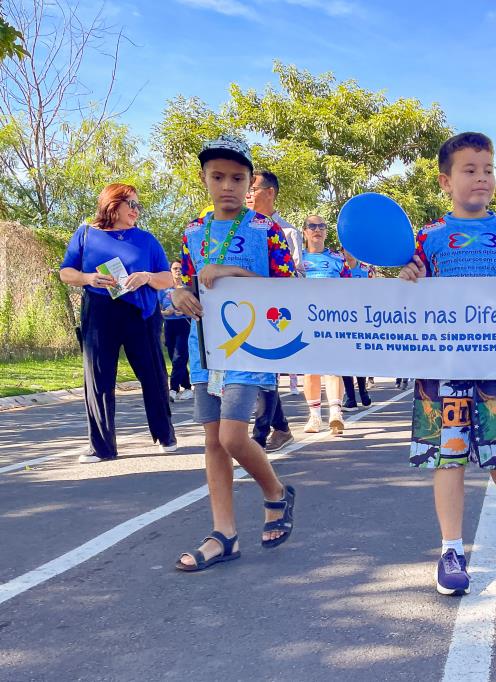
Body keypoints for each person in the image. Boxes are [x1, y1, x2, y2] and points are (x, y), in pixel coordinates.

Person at [399, 132, 496, 596]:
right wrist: (410, 274)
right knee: (448, 455)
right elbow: (410, 287)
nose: (481, 178)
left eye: (488, 169)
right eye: (469, 170)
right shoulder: (427, 238)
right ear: (446, 181)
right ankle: (451, 549)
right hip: (440, 367)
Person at [170, 134, 297, 572]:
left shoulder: (266, 229)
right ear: (204, 179)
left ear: (250, 184)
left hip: (251, 346)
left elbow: (288, 286)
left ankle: (276, 492)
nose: (227, 185)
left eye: (237, 178)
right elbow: (186, 284)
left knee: (232, 435)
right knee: (212, 442)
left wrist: (231, 271)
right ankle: (224, 534)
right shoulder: (193, 231)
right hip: (204, 348)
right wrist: (180, 297)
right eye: (217, 176)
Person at [59, 183, 177, 463]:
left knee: (154, 375)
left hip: (142, 314)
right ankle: (101, 447)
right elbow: (66, 272)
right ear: (113, 205)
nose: (137, 210)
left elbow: (168, 278)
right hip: (100, 311)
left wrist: (147, 277)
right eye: (132, 204)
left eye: (139, 205)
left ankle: (165, 434)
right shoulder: (86, 234)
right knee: (98, 378)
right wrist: (88, 278)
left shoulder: (147, 240)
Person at [246, 170, 297, 452]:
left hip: (275, 311)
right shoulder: (239, 227)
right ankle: (281, 427)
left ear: (270, 192)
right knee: (257, 369)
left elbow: (293, 271)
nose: (248, 194)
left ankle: (259, 434)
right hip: (243, 310)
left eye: (253, 188)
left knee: (265, 369)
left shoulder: (286, 231)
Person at [300, 214, 350, 435]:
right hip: (305, 321)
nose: (317, 230)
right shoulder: (296, 259)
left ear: (326, 232)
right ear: (305, 232)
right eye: (312, 226)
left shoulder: (337, 260)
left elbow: (351, 289)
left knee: (333, 368)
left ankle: (335, 414)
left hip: (333, 321)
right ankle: (314, 417)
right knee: (310, 371)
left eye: (321, 226)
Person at [340, 246, 373, 409]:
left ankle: (363, 391)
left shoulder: (366, 270)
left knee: (360, 359)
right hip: (343, 319)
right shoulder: (340, 268)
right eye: (346, 250)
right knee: (345, 360)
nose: (350, 253)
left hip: (362, 320)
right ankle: (350, 396)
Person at [160, 260, 193, 402]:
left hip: (184, 323)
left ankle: (173, 389)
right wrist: (164, 312)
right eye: (175, 268)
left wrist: (185, 310)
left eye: (180, 268)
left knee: (179, 356)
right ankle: (186, 387)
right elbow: (157, 308)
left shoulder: (188, 288)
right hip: (169, 324)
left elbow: (197, 307)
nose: (178, 271)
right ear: (170, 271)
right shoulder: (164, 289)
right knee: (174, 356)